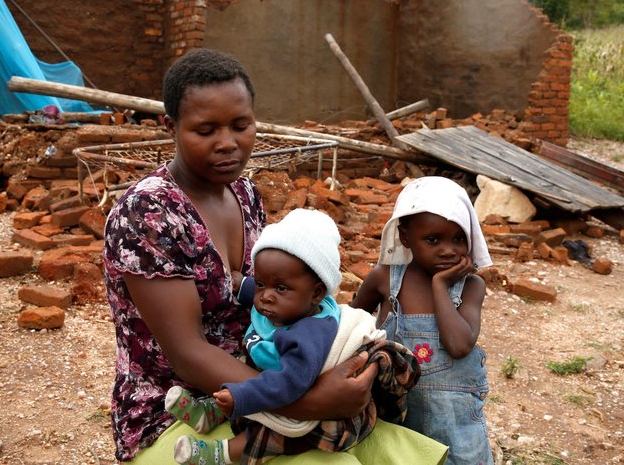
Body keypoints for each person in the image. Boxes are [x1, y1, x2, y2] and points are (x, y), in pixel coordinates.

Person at [102, 48, 447, 464]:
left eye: (240, 125)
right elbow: (187, 353)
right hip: (179, 407)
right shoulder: (150, 214)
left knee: (394, 450)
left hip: (265, 377)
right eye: (205, 130)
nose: (228, 143)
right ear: (170, 126)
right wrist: (307, 401)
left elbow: (274, 296)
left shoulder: (243, 193)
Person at [166, 208, 436, 464]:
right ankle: (209, 413)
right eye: (261, 283)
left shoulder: (307, 335)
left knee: (271, 434)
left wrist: (241, 396)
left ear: (317, 293)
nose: (266, 296)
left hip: (306, 398)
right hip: (272, 377)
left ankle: (218, 454)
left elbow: (287, 386)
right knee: (240, 371)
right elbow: (263, 288)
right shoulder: (286, 303)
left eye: (280, 287)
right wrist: (242, 284)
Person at [351, 176, 495, 465]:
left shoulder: (470, 286)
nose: (449, 250)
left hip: (454, 425)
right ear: (405, 237)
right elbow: (349, 324)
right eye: (433, 240)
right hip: (394, 416)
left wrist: (440, 286)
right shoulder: (385, 279)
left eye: (458, 238)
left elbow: (459, 344)